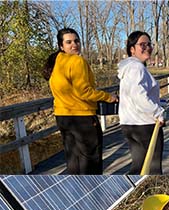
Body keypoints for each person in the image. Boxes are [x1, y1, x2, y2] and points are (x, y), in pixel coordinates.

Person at [43, 28, 118, 174]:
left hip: (63, 117)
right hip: (82, 119)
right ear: (61, 46)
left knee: (73, 161)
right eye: (69, 42)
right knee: (91, 162)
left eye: (76, 41)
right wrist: (109, 97)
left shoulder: (56, 62)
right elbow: (84, 92)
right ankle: (93, 190)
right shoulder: (77, 60)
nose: (74, 45)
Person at [118, 31, 166, 175]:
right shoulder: (136, 67)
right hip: (145, 125)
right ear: (132, 49)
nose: (147, 48)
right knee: (153, 168)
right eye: (142, 45)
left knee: (139, 166)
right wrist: (159, 112)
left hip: (131, 124)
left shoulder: (130, 68)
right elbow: (139, 96)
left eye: (149, 44)